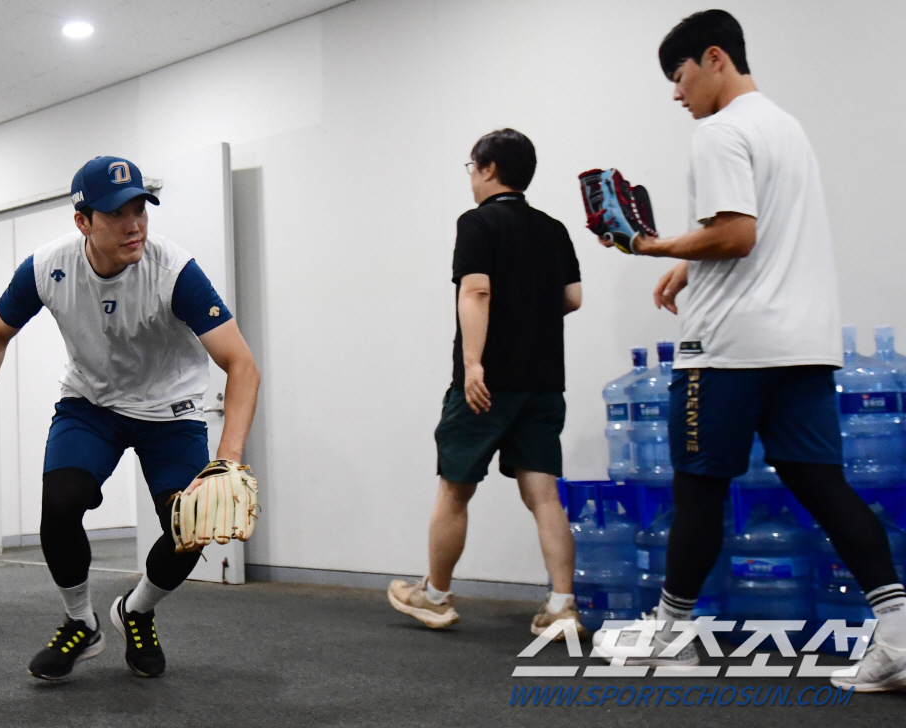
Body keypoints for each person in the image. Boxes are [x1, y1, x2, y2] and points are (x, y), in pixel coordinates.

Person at [592, 10, 906, 692]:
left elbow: (736, 235)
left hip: (730, 350)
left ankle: (671, 635)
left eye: (678, 78)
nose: (677, 95)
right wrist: (689, 263)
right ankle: (901, 636)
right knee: (823, 485)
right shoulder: (784, 127)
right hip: (802, 343)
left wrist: (651, 248)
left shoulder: (719, 131)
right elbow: (757, 233)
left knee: (699, 490)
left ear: (713, 59)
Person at [0, 155, 260, 681]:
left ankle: (134, 609)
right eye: (117, 213)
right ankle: (81, 622)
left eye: (140, 208)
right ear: (83, 221)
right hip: (91, 405)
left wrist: (226, 463)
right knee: (61, 503)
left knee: (191, 526)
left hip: (170, 411)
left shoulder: (173, 270)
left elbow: (241, 364)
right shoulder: (48, 267)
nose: (134, 223)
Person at [387, 129, 585, 638]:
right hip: (544, 381)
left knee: (454, 489)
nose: (471, 177)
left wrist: (474, 365)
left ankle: (435, 596)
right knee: (544, 494)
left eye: (472, 167)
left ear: (489, 168)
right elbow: (573, 298)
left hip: (489, 384)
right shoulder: (554, 229)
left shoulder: (477, 223)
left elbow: (476, 292)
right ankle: (562, 605)